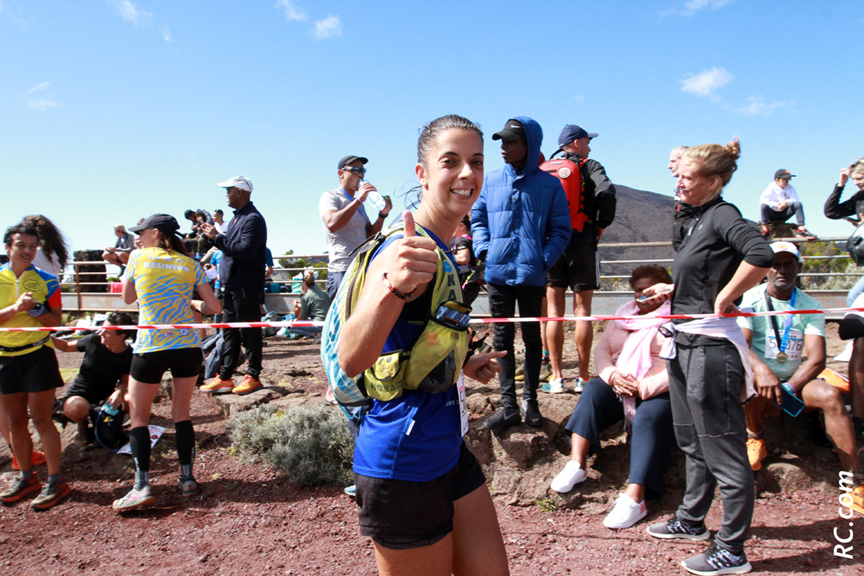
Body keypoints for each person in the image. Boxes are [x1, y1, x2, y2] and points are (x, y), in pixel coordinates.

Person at [338, 114, 509, 576]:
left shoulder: (441, 244)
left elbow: (409, 341)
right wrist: (392, 287)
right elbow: (352, 357)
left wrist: (461, 363)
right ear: (423, 174)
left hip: (447, 448)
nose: (467, 174)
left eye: (476, 161)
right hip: (403, 462)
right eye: (450, 161)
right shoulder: (404, 247)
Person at [641, 138, 773, 575]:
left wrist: (729, 296)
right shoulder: (696, 220)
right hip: (684, 343)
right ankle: (692, 520)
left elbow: (760, 254)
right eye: (677, 173)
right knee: (691, 440)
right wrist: (672, 291)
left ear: (713, 182)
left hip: (712, 349)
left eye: (686, 175)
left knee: (724, 450)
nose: (676, 180)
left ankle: (732, 549)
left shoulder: (723, 215)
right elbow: (703, 276)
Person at [737, 241, 864, 513]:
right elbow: (742, 347)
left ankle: (854, 482)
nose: (782, 270)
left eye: (789, 264)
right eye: (775, 264)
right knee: (748, 379)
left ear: (799, 267)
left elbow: (817, 358)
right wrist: (764, 372)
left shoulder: (810, 305)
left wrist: (790, 388)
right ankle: (755, 436)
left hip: (795, 381)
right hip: (761, 380)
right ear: (766, 269)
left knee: (830, 396)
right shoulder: (750, 300)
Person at [550, 265, 675, 530]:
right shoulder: (623, 315)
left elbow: (681, 363)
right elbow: (603, 350)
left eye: (651, 290)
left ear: (665, 290)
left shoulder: (678, 317)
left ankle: (635, 496)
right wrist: (612, 376)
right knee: (594, 389)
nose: (645, 295)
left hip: (657, 389)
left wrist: (646, 387)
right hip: (622, 382)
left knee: (649, 416)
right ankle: (577, 463)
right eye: (639, 290)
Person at [112, 213, 221, 510]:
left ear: (157, 233)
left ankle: (142, 485)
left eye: (142, 232)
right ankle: (187, 479)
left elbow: (127, 298)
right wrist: (187, 301)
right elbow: (213, 307)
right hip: (187, 345)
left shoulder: (138, 257)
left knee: (139, 418)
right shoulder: (190, 264)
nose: (138, 236)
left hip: (151, 346)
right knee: (181, 414)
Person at [471, 117, 570, 430]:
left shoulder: (550, 184)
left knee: (530, 339)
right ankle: (508, 405)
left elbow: (561, 230)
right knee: (501, 338)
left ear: (530, 145)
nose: (503, 147)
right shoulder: (491, 180)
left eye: (511, 141)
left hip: (531, 275)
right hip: (498, 275)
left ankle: (531, 401)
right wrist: (485, 250)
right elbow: (477, 219)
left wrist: (542, 259)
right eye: (501, 141)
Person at [541, 124, 616, 393]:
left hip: (551, 245)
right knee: (582, 312)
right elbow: (606, 192)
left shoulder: (545, 167)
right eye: (587, 140)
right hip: (582, 240)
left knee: (553, 314)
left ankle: (557, 378)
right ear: (575, 142)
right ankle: (583, 377)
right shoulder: (589, 165)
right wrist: (600, 225)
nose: (590, 146)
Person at [0, 223, 70, 509]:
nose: (28, 251)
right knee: (16, 422)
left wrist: (38, 311)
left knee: (42, 420)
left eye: (32, 246)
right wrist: (16, 309)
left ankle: (56, 481)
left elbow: (57, 323)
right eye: (21, 246)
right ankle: (26, 476)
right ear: (8, 247)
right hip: (5, 357)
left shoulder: (47, 280)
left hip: (37, 355)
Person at [199, 176, 268, 396]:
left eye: (229, 190)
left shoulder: (253, 219)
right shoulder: (238, 219)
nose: (226, 194)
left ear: (240, 192)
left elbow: (244, 251)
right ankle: (226, 376)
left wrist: (217, 238)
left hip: (246, 285)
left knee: (249, 332)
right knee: (229, 332)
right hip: (230, 284)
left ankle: (253, 375)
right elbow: (233, 248)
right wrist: (218, 238)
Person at [51, 311, 135, 444]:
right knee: (77, 407)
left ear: (121, 336)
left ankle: (119, 426)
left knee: (131, 398)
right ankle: (82, 426)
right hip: (79, 396)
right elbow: (65, 346)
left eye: (107, 331)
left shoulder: (128, 354)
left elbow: (125, 381)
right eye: (102, 328)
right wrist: (45, 337)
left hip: (105, 398)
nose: (101, 333)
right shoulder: (93, 341)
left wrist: (118, 392)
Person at [320, 155, 393, 301]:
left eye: (363, 170)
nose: (360, 175)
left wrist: (383, 214)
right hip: (341, 268)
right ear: (341, 173)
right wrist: (359, 200)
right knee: (343, 320)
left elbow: (370, 235)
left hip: (360, 267)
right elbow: (332, 224)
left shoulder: (359, 203)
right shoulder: (331, 196)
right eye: (355, 170)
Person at [757, 169, 816, 239]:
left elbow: (795, 199)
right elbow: (763, 201)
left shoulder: (790, 188)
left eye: (788, 180)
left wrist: (786, 202)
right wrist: (776, 204)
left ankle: (801, 229)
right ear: (777, 180)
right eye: (784, 180)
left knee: (798, 204)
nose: (786, 182)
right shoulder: (770, 189)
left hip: (784, 213)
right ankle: (765, 230)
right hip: (773, 213)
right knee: (763, 206)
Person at [450, 215, 483, 307]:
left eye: (453, 225)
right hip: (473, 283)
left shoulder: (461, 239)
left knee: (457, 313)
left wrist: (446, 258)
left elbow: (464, 258)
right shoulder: (471, 240)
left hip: (466, 283)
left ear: (462, 226)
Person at [285, 271, 330, 339]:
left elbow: (303, 316)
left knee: (290, 327)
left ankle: (314, 334)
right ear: (314, 283)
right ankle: (318, 334)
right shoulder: (324, 293)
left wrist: (295, 320)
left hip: (318, 324)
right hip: (328, 322)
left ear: (304, 283)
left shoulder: (306, 297)